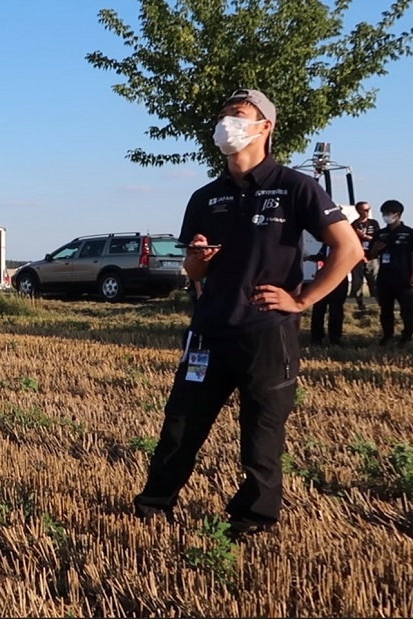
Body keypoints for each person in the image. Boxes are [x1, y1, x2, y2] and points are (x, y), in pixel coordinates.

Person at [132, 89, 361, 540]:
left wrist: (302, 300)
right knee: (180, 426)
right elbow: (194, 271)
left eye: (237, 115)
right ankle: (154, 505)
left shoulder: (296, 187)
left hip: (266, 333)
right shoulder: (206, 197)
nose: (227, 125)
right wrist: (198, 258)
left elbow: (349, 249)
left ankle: (253, 518)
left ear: (265, 127)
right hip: (209, 330)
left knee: (261, 434)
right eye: (223, 116)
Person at [368, 199, 413, 346]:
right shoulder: (380, 234)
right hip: (385, 277)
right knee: (386, 309)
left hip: (404, 277)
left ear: (397, 214)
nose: (385, 216)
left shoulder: (409, 233)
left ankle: (406, 336)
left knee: (407, 310)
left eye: (388, 213)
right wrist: (375, 250)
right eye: (383, 213)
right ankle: (387, 335)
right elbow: (371, 256)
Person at [306, 244, 349, 346]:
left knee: (336, 309)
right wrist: (309, 257)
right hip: (322, 278)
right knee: (318, 308)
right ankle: (316, 337)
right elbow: (320, 256)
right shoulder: (326, 244)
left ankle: (335, 338)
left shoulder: (343, 244)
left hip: (339, 278)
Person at [350, 201, 381, 311]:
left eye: (369, 209)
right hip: (358, 259)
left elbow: (378, 239)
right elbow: (352, 242)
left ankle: (380, 305)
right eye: (365, 210)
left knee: (375, 282)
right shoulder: (354, 224)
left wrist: (365, 236)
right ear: (358, 211)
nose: (367, 212)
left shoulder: (373, 223)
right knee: (357, 283)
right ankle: (360, 305)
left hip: (372, 258)